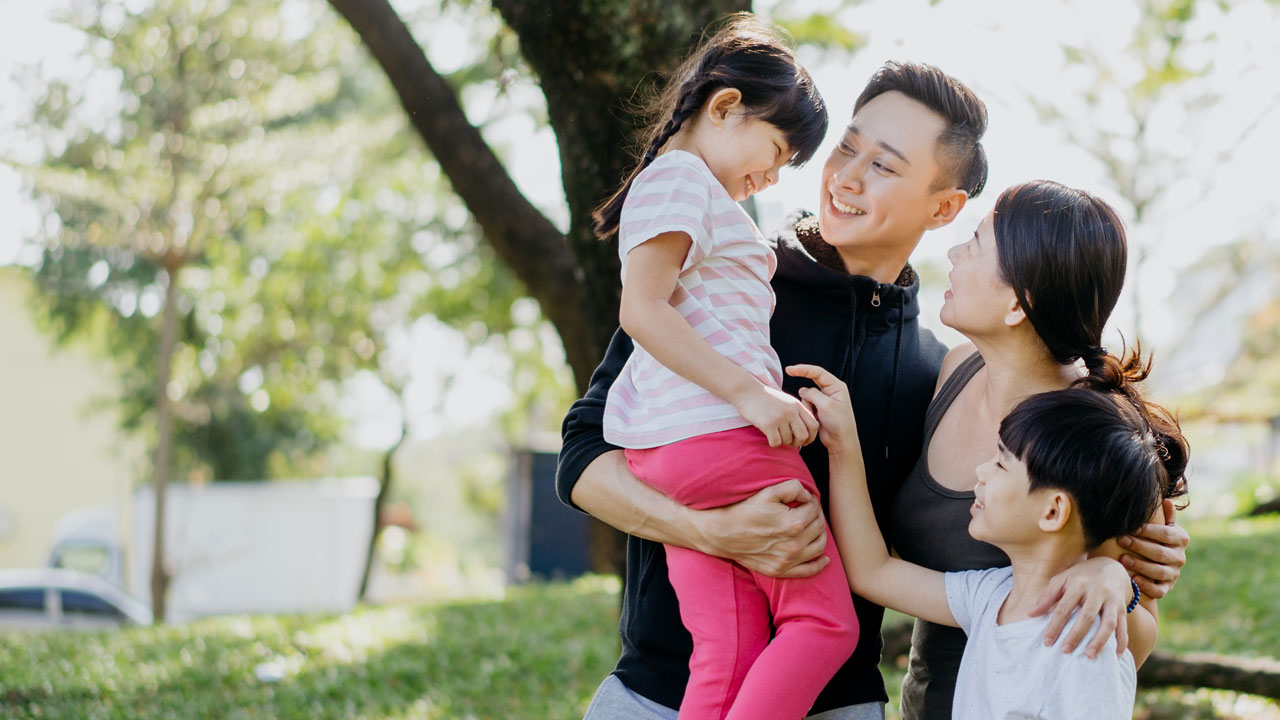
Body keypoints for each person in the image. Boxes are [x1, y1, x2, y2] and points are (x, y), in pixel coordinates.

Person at [556, 62, 1182, 719]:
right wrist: (708, 532)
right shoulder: (723, 276)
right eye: (846, 147)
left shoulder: (933, 370)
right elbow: (581, 459)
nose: (846, 176)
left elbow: (1045, 561)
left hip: (840, 702)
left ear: (943, 208)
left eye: (883, 165)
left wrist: (1113, 571)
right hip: (663, 695)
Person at [592, 14, 856, 720]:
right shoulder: (682, 179)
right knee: (826, 625)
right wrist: (756, 397)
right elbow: (642, 310)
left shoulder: (673, 185)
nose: (769, 176)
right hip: (726, 440)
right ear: (725, 107)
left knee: (728, 645)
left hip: (673, 458)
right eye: (774, 151)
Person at [878, 180, 1192, 719]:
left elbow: (1132, 644)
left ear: (1019, 303)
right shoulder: (956, 370)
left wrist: (1115, 581)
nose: (952, 254)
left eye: (974, 243)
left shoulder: (1097, 435)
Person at [794, 359, 1188, 720]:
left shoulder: (1084, 640)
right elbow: (871, 571)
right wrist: (842, 445)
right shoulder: (989, 597)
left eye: (1000, 463)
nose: (981, 472)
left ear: (1052, 511)